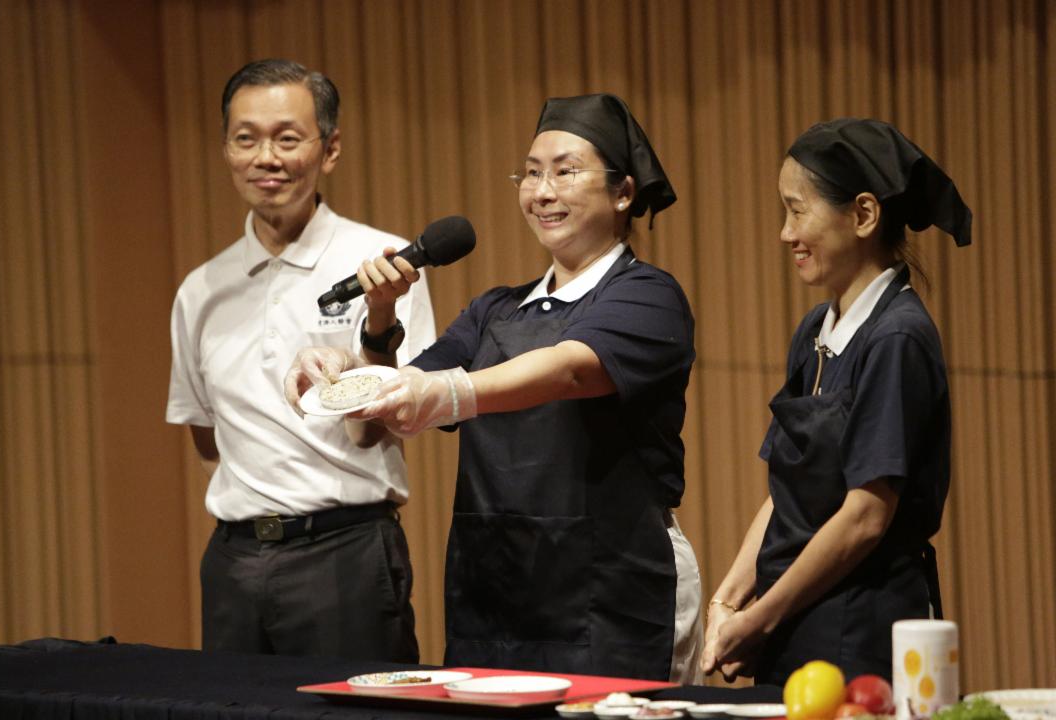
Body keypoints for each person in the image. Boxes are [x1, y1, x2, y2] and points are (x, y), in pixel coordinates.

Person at [287, 93, 703, 682]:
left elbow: (568, 368)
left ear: (623, 192)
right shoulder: (495, 310)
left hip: (613, 590)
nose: (542, 191)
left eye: (565, 171)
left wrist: (448, 394)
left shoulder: (648, 295)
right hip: (495, 588)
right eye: (531, 173)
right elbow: (391, 401)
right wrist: (358, 346)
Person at [166, 58, 435, 660]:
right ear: (226, 149)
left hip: (346, 553)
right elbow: (205, 434)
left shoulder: (382, 262)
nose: (267, 157)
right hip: (233, 559)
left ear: (330, 148)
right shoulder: (199, 289)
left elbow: (381, 428)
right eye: (246, 139)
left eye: (288, 138)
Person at [700, 118, 972, 684]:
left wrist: (760, 619)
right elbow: (786, 492)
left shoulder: (896, 336)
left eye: (798, 210)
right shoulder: (814, 332)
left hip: (859, 632)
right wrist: (728, 603)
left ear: (864, 215)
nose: (784, 232)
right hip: (792, 619)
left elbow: (866, 517)